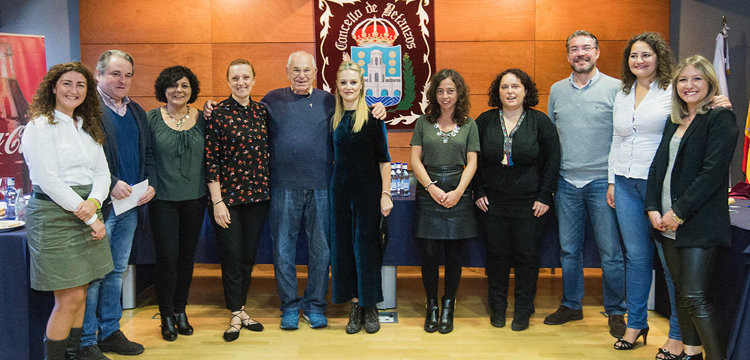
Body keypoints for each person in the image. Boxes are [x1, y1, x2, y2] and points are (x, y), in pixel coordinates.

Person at [203, 51, 385, 330]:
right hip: (282, 189)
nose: (301, 75)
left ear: (315, 72)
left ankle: (314, 306)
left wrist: (378, 108)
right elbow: (241, 112)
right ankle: (289, 306)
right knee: (283, 250)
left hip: (323, 187)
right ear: (286, 72)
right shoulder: (271, 102)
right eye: (296, 70)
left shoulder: (328, 101)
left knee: (321, 251)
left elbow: (355, 107)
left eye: (307, 70)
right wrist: (209, 108)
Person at [645, 54, 738, 360]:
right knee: (683, 297)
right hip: (668, 224)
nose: (689, 85)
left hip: (698, 224)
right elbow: (659, 166)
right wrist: (653, 207)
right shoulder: (677, 119)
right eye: (683, 79)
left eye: (697, 78)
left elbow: (712, 174)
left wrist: (679, 212)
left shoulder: (720, 118)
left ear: (710, 82)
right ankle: (692, 352)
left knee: (696, 297)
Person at [22, 62, 112, 360]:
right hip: (55, 214)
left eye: (80, 85)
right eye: (67, 83)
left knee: (82, 292)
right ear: (53, 87)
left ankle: (75, 355)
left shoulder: (86, 126)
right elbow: (48, 180)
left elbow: (102, 173)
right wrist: (88, 214)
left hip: (87, 209)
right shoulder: (40, 126)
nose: (74, 90)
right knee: (69, 297)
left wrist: (96, 204)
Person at [543, 30, 627, 338]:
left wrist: (613, 180)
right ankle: (571, 305)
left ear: (597, 52)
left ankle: (617, 311)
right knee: (568, 250)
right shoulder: (556, 90)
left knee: (611, 252)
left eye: (587, 48)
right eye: (575, 49)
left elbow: (623, 136)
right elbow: (551, 140)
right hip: (566, 182)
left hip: (602, 182)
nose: (581, 53)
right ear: (568, 55)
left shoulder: (617, 89)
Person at [474, 68, 560, 332]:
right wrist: (478, 191)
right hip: (493, 202)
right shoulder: (485, 121)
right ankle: (498, 307)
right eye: (504, 87)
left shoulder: (540, 121)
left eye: (515, 86)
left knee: (527, 257)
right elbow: (472, 159)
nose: (510, 92)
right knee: (497, 255)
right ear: (497, 92)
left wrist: (545, 195)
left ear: (525, 91)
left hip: (530, 203)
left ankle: (523, 309)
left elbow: (553, 160)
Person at [81, 50, 153, 360]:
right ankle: (86, 341)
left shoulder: (136, 111)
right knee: (94, 273)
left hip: (131, 207)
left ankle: (109, 331)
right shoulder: (85, 111)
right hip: (101, 208)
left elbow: (148, 154)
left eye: (127, 75)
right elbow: (82, 160)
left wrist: (151, 184)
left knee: (115, 271)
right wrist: (111, 182)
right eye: (114, 74)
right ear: (98, 75)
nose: (121, 80)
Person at [410, 68, 479, 334]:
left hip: (458, 191)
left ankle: (448, 307)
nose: (445, 95)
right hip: (429, 192)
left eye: (451, 90)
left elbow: (472, 162)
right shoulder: (422, 123)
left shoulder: (470, 124)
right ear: (433, 94)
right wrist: (430, 187)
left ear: (458, 93)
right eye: (440, 91)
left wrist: (459, 191)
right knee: (429, 254)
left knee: (453, 254)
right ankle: (432, 307)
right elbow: (415, 159)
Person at [205, 59, 269, 341]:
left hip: (258, 197)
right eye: (235, 78)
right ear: (228, 81)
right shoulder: (217, 113)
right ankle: (234, 312)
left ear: (254, 80)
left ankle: (241, 309)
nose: (241, 82)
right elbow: (211, 161)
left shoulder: (262, 112)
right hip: (227, 200)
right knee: (230, 256)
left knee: (247, 256)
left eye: (245, 77)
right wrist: (217, 201)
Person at [329, 61, 392, 334]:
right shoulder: (333, 117)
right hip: (340, 194)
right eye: (344, 82)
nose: (348, 87)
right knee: (344, 250)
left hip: (369, 194)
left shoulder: (374, 118)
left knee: (367, 250)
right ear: (337, 87)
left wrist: (386, 194)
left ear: (362, 85)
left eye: (353, 82)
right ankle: (355, 305)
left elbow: (384, 161)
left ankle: (370, 306)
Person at [146, 66, 206, 342]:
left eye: (184, 85)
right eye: (172, 85)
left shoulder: (204, 118)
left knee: (186, 257)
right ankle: (166, 314)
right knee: (167, 258)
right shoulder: (151, 119)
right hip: (163, 201)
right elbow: (145, 157)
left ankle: (181, 310)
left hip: (195, 198)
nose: (178, 90)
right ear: (163, 89)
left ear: (191, 89)